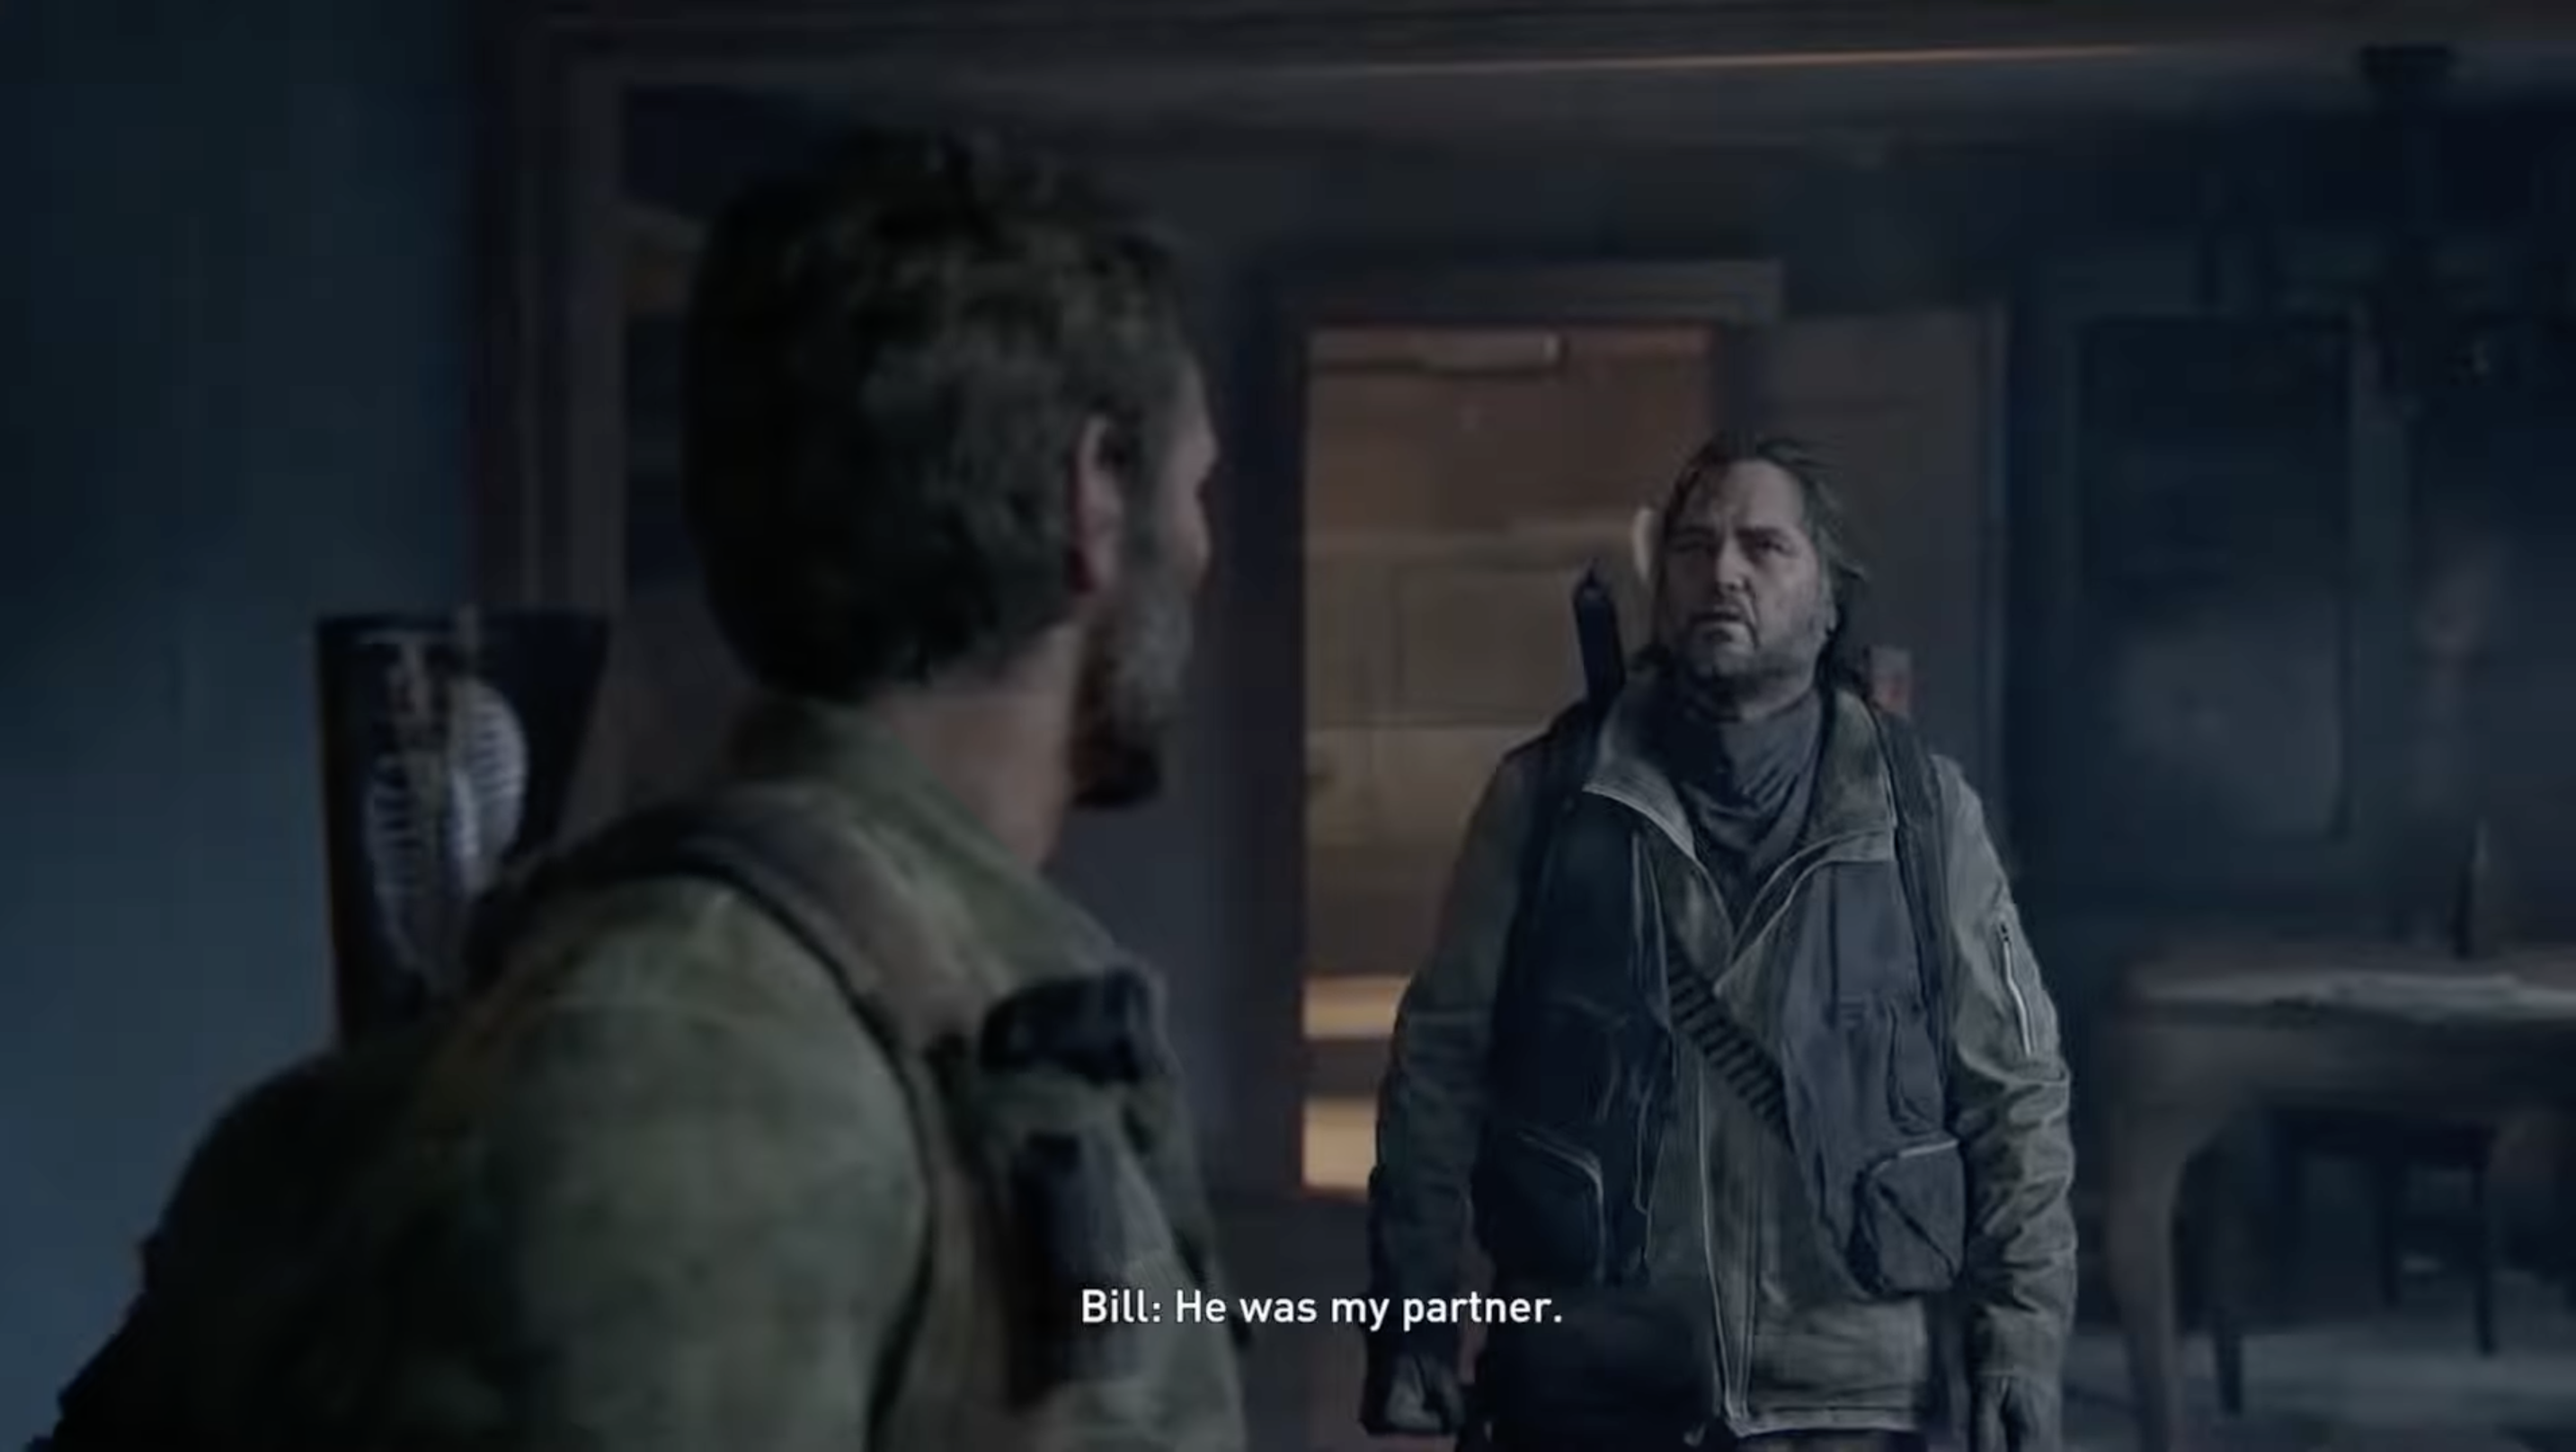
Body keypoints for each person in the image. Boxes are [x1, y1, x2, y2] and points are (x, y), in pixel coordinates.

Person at [43, 128, 1245, 1452]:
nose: (1202, 547)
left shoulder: (892, 1022)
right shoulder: (699, 1066)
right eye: (1196, 489)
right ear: (1092, 498)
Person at [1361, 435, 2074, 1452]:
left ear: (1828, 597)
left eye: (1764, 546)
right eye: (1694, 547)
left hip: (1848, 1393)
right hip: (1591, 1384)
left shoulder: (1919, 813)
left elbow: (2014, 1092)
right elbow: (1440, 1065)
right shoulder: (1551, 796)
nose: (1722, 572)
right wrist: (1414, 1318)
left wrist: (2020, 1340)